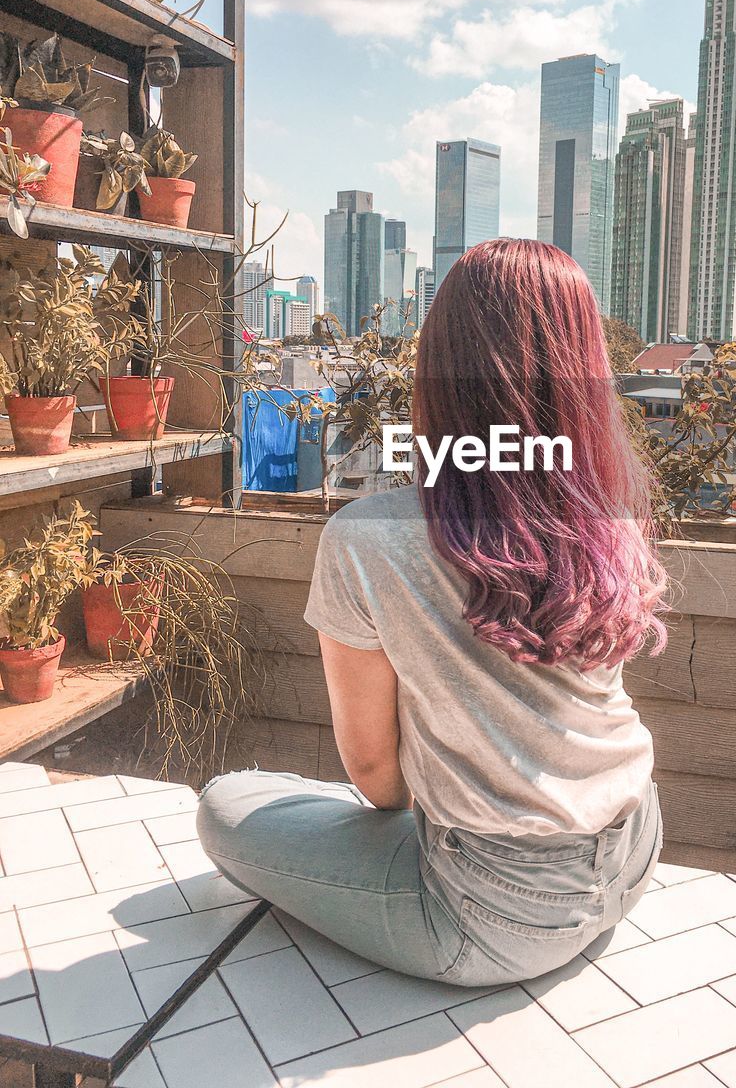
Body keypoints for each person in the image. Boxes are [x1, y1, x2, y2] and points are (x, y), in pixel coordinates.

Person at [197, 239, 667, 986]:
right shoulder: (603, 518)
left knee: (225, 806)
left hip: (492, 911)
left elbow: (379, 779)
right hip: (635, 844)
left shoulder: (370, 536)